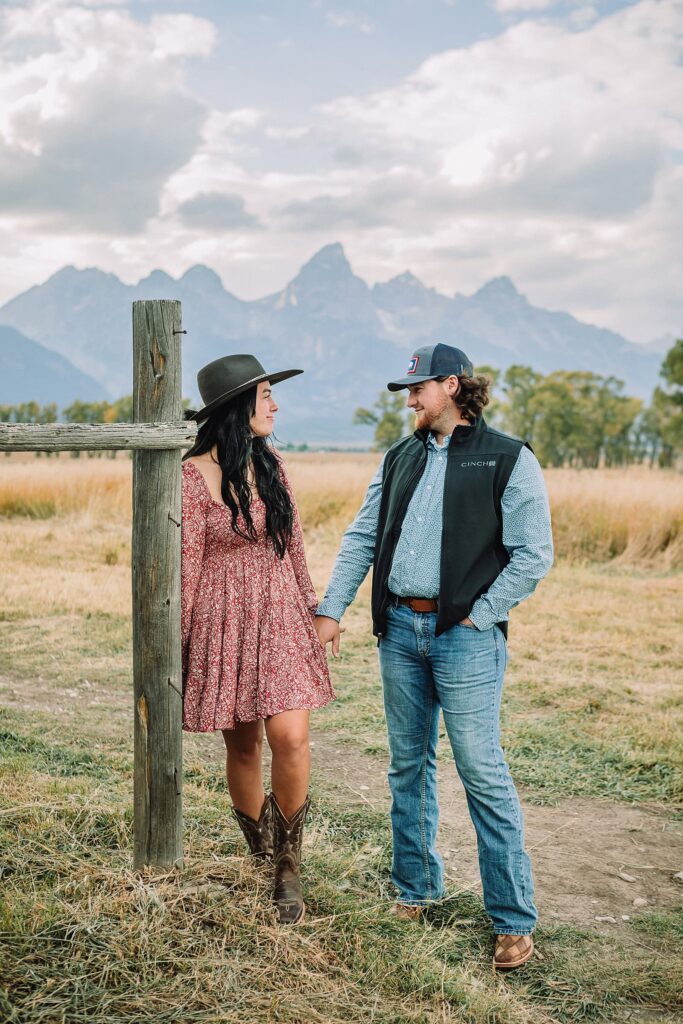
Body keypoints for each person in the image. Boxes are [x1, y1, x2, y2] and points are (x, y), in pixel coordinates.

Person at [315, 343, 553, 969]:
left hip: (465, 638)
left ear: (452, 385)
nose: (410, 399)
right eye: (407, 390)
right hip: (398, 631)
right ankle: (416, 889)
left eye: (418, 389)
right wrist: (330, 608)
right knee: (407, 765)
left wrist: (481, 612)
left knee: (481, 770)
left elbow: (533, 554)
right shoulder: (399, 458)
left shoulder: (508, 457)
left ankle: (512, 919)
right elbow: (364, 534)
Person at [181, 353, 334, 924]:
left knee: (290, 736)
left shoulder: (272, 465)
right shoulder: (190, 476)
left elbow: (291, 547)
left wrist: (313, 611)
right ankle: (259, 852)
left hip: (279, 613)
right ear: (236, 408)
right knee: (242, 744)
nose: (275, 404)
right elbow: (186, 568)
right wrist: (183, 647)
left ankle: (288, 863)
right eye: (266, 395)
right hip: (222, 622)